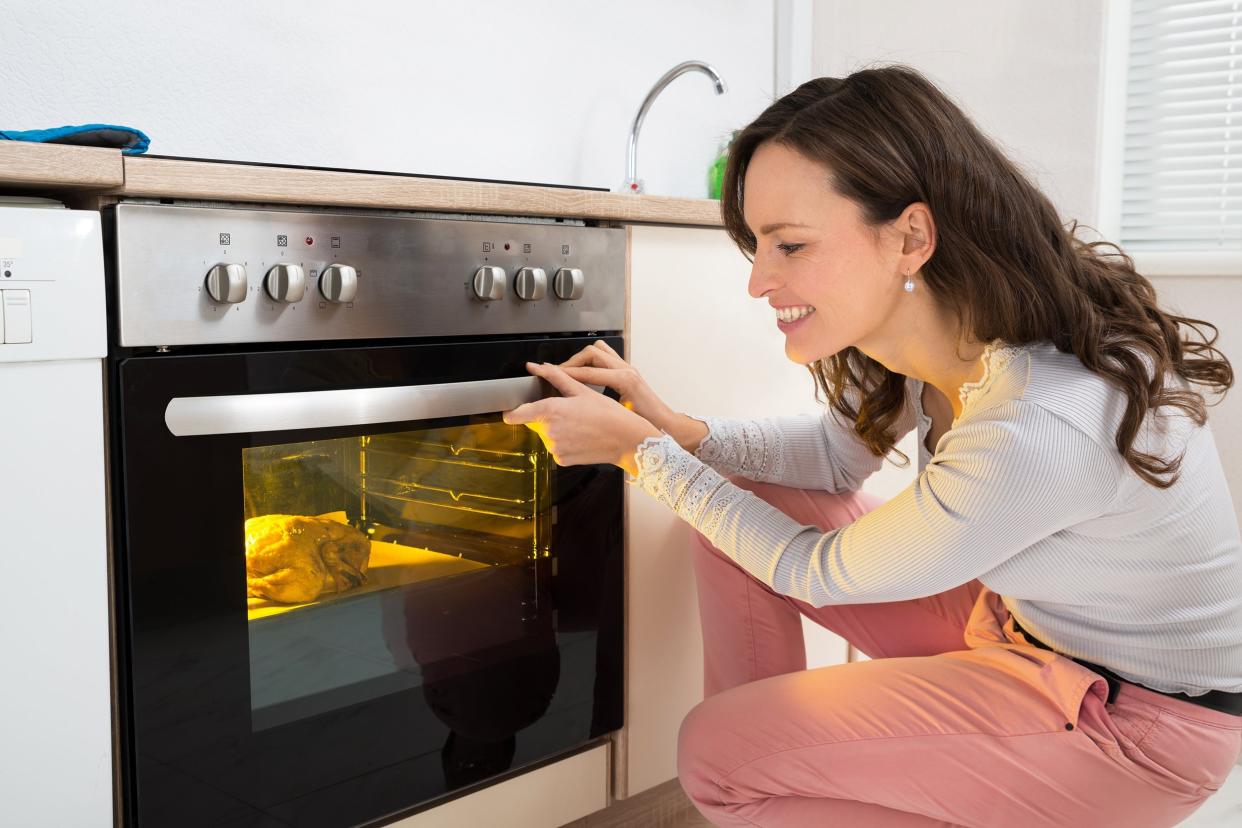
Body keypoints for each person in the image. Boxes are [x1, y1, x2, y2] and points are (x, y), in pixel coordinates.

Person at [502, 65, 1242, 827]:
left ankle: (757, 778)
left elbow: (812, 573)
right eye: (757, 244)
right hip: (1023, 626)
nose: (759, 281)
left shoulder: (1040, 417)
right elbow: (830, 460)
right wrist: (672, 427)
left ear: (911, 237)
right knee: (742, 540)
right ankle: (767, 772)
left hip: (1133, 726)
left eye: (789, 244)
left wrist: (642, 457)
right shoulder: (930, 333)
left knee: (714, 754)